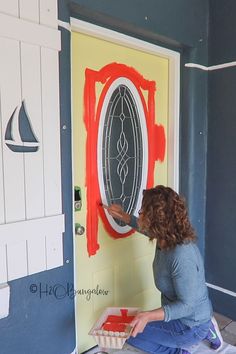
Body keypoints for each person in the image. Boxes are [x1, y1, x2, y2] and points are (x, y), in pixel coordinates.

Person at [105, 185, 223, 354]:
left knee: (128, 332)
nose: (140, 214)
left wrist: (147, 315)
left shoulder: (181, 256)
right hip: (187, 315)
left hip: (190, 323)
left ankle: (184, 347)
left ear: (157, 220)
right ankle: (207, 329)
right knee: (134, 326)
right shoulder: (167, 237)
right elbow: (144, 228)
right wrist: (123, 216)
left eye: (143, 211)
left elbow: (187, 306)